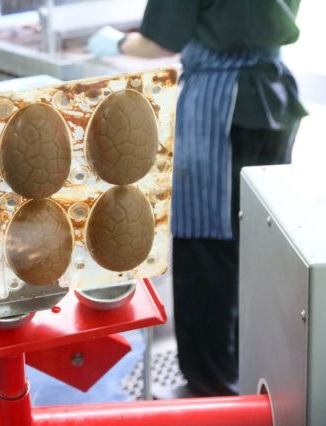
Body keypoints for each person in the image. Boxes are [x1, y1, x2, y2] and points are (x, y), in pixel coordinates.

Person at [89, 0, 307, 397]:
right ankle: (252, 376)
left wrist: (113, 43)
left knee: (206, 245)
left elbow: (158, 43)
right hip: (272, 98)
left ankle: (210, 388)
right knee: (256, 244)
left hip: (221, 108)